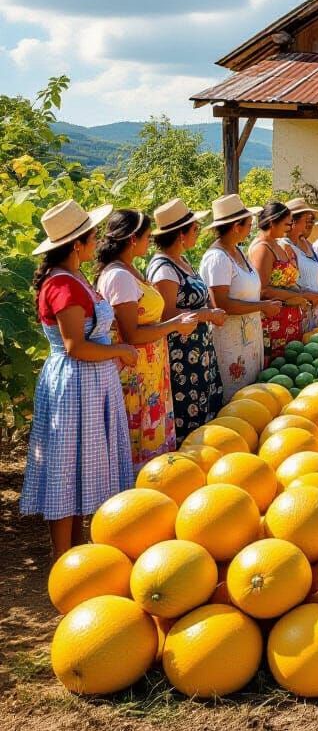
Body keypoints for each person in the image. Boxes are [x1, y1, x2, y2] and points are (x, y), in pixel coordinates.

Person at [21, 200, 136, 559]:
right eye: (92, 234)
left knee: (83, 464)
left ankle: (79, 550)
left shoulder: (74, 278)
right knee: (67, 468)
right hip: (75, 384)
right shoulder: (63, 286)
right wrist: (119, 352)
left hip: (90, 383)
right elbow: (75, 346)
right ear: (76, 245)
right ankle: (63, 556)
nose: (97, 239)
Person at [96, 209, 198, 470]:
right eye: (146, 236)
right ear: (132, 239)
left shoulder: (129, 270)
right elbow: (132, 334)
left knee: (148, 435)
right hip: (136, 373)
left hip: (149, 370)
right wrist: (174, 324)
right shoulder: (118, 276)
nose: (149, 241)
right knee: (139, 438)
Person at [146, 199, 226, 439]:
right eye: (194, 229)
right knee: (187, 410)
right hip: (182, 353)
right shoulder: (164, 269)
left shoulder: (182, 261)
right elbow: (166, 314)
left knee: (204, 406)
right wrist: (205, 315)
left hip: (198, 349)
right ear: (180, 234)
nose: (197, 234)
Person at [199, 195, 281, 399]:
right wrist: (262, 306)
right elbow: (222, 304)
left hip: (248, 336)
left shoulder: (238, 252)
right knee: (235, 398)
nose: (251, 229)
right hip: (230, 339)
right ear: (236, 226)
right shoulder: (218, 258)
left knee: (251, 397)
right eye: (248, 225)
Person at [249, 202, 312, 363]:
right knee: (278, 371)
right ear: (272, 222)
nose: (289, 228)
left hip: (289, 321)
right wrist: (297, 296)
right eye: (286, 224)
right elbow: (263, 290)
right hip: (274, 323)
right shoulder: (262, 249)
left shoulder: (277, 245)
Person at [283, 197, 318, 332]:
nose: (309, 224)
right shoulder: (285, 246)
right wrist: (306, 296)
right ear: (293, 222)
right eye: (306, 220)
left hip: (316, 309)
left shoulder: (307, 244)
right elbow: (288, 283)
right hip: (300, 310)